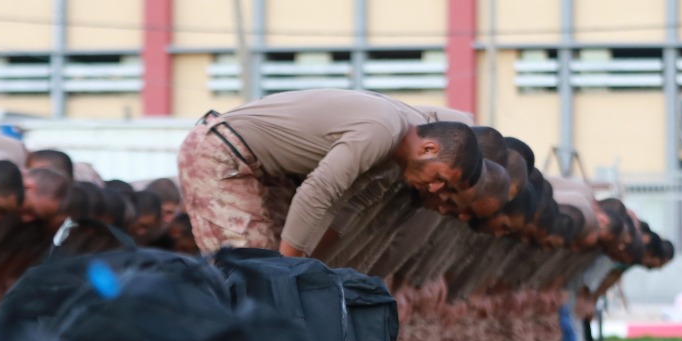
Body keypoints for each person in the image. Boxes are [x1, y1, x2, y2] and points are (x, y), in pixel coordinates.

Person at [176, 88, 481, 257]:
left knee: (272, 269)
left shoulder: (396, 154)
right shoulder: (382, 130)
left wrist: (304, 261)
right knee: (247, 271)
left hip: (268, 172)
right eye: (440, 178)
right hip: (221, 152)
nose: (436, 190)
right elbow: (319, 192)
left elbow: (343, 206)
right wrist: (288, 268)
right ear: (428, 149)